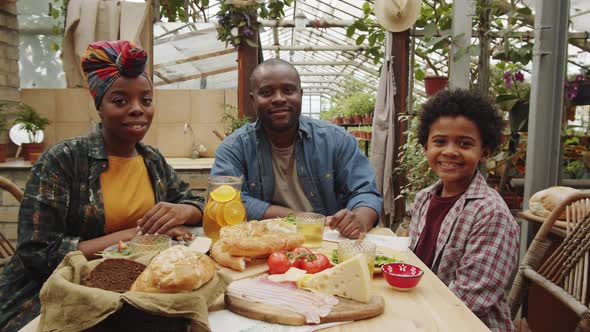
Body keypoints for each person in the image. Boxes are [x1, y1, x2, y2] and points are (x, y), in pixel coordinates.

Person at [0, 40, 204, 331]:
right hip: (54, 295)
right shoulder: (64, 160)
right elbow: (38, 254)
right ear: (99, 106)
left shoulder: (151, 160)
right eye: (121, 101)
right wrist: (138, 234)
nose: (137, 110)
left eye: (146, 100)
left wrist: (184, 211)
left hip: (134, 286)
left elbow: (196, 202)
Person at [210, 58, 382, 238]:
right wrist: (303, 219)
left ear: (300, 94)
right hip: (264, 244)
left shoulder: (336, 140)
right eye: (267, 92)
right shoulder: (234, 148)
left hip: (327, 243)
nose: (278, 99)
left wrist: (359, 220)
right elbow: (224, 199)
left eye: (288, 90)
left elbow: (365, 191)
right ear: (253, 99)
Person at [408, 89, 519, 331]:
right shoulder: (424, 198)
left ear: (485, 152)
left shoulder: (490, 214)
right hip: (420, 313)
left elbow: (468, 301)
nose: (449, 151)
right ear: (425, 147)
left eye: (464, 143)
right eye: (439, 141)